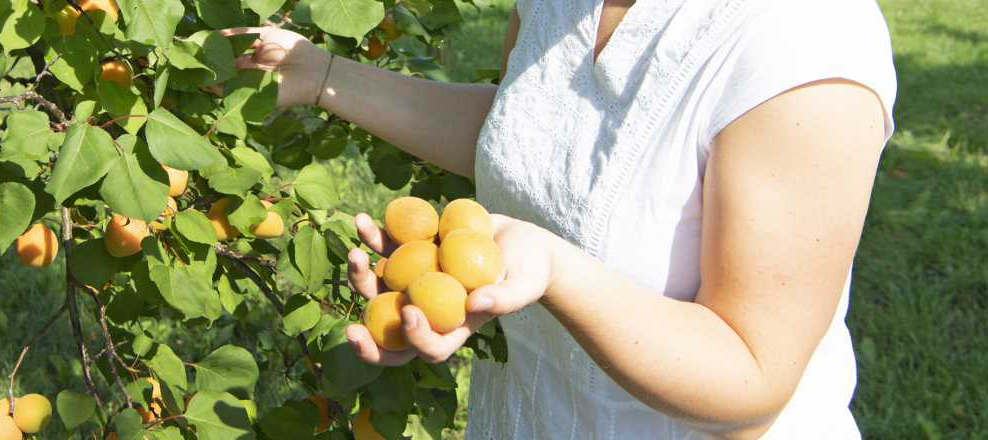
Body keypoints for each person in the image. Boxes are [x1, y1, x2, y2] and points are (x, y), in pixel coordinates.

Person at [224, 0, 896, 436]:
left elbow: (753, 376)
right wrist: (323, 75)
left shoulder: (806, 42)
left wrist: (554, 270)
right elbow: (532, 133)